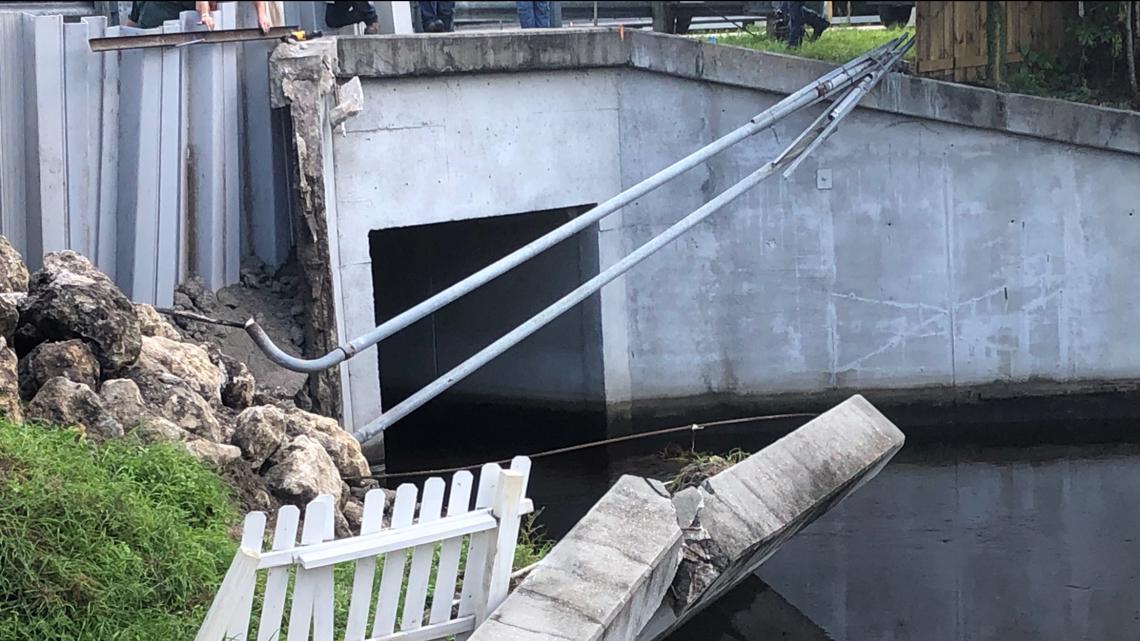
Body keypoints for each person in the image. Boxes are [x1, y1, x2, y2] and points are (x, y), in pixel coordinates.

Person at [126, 1, 272, 32]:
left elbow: (200, 3)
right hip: (146, 42)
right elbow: (132, 22)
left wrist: (262, 15)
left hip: (174, 48)